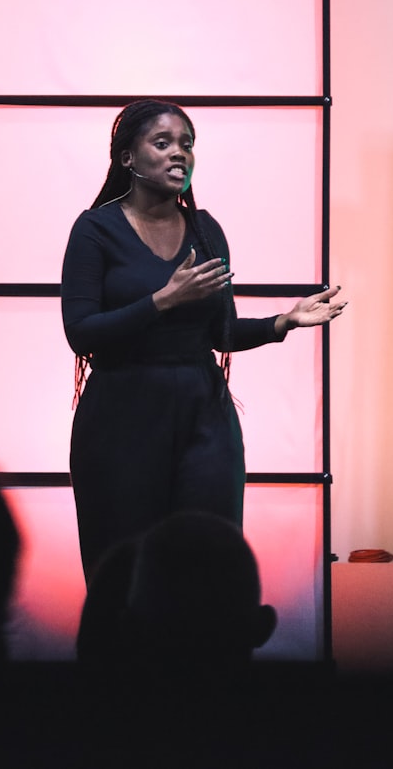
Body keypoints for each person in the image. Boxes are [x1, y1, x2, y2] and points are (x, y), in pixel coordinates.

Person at [61, 99, 346, 579]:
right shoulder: (95, 230)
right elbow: (81, 333)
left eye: (187, 145)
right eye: (163, 142)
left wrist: (285, 321)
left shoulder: (205, 229)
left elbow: (221, 332)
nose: (180, 154)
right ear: (128, 158)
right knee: (124, 571)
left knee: (208, 566)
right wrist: (160, 301)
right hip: (120, 418)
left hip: (204, 416)